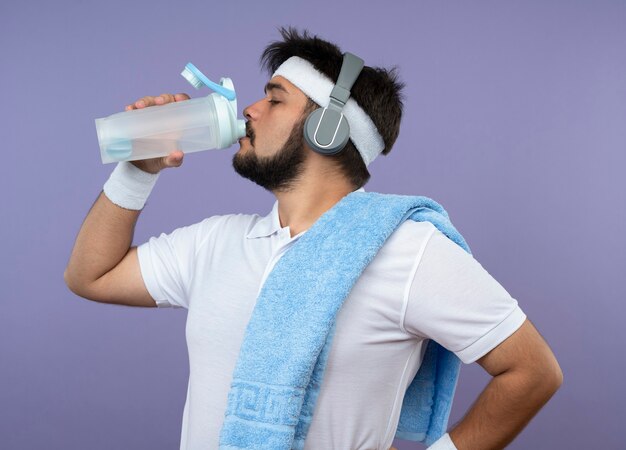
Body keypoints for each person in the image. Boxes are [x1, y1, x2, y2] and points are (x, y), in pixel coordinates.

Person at [64, 27, 562, 450]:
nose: (252, 111)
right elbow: (93, 275)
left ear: (327, 127)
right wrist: (136, 171)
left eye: (275, 97)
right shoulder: (215, 242)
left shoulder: (407, 252)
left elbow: (533, 372)